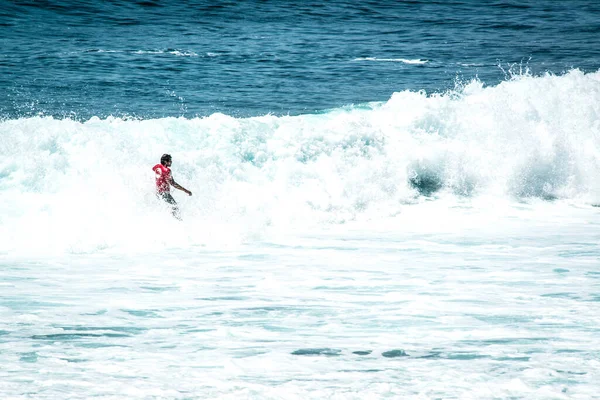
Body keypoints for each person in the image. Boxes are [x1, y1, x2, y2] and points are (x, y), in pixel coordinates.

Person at [152, 154, 192, 219]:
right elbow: (173, 184)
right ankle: (178, 222)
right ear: (165, 161)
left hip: (158, 193)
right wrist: (186, 191)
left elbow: (153, 169)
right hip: (165, 193)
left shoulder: (157, 167)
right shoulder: (167, 171)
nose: (171, 162)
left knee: (167, 208)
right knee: (175, 207)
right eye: (170, 160)